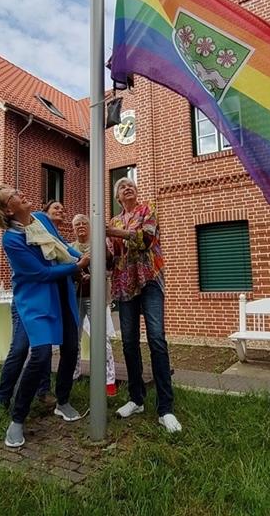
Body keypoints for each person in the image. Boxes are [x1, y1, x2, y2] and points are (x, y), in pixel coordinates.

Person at [0, 185, 90, 448]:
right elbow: (41, 273)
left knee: (71, 347)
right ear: (9, 209)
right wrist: (76, 266)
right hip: (35, 299)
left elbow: (60, 246)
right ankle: (17, 418)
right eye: (14, 195)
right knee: (39, 353)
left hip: (62, 293)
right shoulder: (11, 239)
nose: (21, 193)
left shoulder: (42, 220)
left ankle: (62, 401)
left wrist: (84, 257)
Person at [106, 178, 182, 433]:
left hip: (149, 280)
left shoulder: (147, 210)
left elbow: (147, 239)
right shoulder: (114, 221)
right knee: (128, 342)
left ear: (136, 193)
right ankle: (136, 399)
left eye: (131, 186)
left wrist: (117, 234)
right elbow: (111, 256)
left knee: (157, 339)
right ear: (118, 198)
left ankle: (166, 409)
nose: (128, 188)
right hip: (125, 284)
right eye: (122, 187)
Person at [70, 214, 117, 396]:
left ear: (90, 227)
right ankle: (74, 374)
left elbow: (109, 267)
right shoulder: (71, 247)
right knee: (74, 337)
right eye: (77, 224)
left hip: (96, 297)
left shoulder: (99, 244)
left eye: (84, 223)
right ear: (73, 229)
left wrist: (95, 274)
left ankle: (109, 379)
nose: (81, 226)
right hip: (76, 297)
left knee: (102, 337)